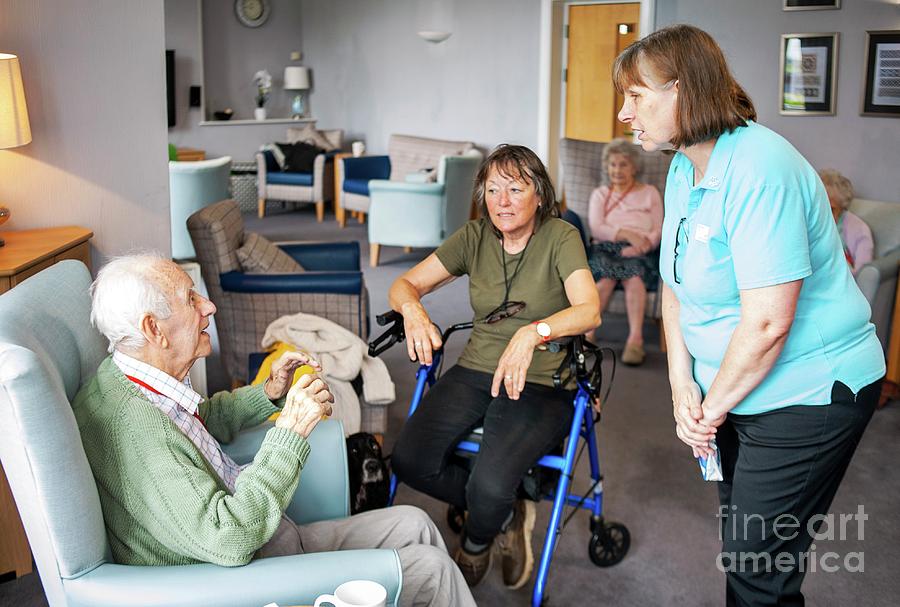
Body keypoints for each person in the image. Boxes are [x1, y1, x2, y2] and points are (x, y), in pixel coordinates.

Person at [613, 24, 885, 606]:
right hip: (734, 393)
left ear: (682, 92)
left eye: (636, 95)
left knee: (757, 568)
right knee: (747, 552)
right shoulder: (684, 166)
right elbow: (676, 286)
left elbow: (768, 324)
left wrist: (707, 411)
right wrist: (682, 387)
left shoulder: (762, 167)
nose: (623, 111)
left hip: (809, 392)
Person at [73, 254, 475, 607]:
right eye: (191, 299)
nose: (209, 306)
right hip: (246, 575)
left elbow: (198, 422)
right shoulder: (139, 432)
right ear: (154, 329)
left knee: (415, 522)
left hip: (272, 536)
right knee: (434, 569)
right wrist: (290, 431)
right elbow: (228, 538)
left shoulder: (129, 374)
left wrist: (268, 392)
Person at [389, 145, 600, 589]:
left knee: (488, 486)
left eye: (515, 189)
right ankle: (512, 503)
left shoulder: (561, 236)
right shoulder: (474, 236)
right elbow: (404, 284)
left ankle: (478, 539)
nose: (501, 201)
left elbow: (589, 311)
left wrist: (533, 333)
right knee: (409, 460)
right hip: (476, 369)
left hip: (542, 380)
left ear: (539, 194)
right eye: (492, 189)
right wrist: (414, 313)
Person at [585, 137, 663, 365]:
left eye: (623, 164)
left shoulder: (649, 192)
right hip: (606, 247)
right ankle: (588, 333)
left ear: (635, 167)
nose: (617, 170)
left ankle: (635, 340)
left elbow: (659, 227)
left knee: (634, 278)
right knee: (606, 279)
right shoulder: (600, 194)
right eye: (612, 164)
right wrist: (627, 234)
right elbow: (597, 227)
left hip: (642, 249)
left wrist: (643, 244)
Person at [819, 169, 874, 275]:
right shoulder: (806, 222)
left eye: (831, 209)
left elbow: (861, 273)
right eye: (820, 206)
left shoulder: (860, 230)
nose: (824, 214)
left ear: (842, 208)